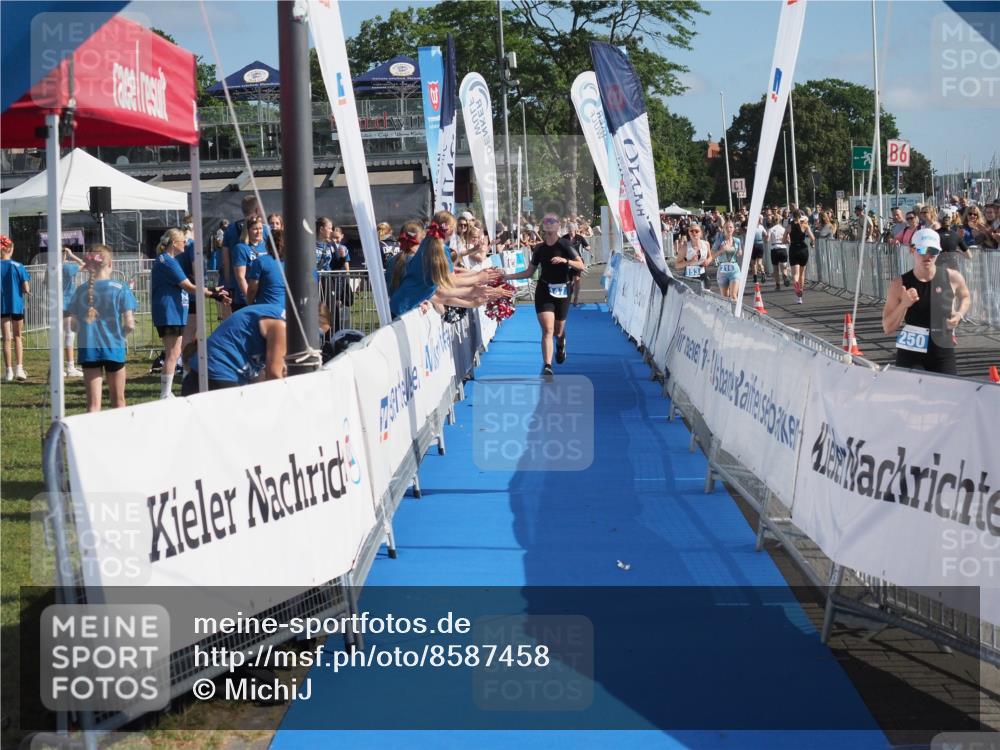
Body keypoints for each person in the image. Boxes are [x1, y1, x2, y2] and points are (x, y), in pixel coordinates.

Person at [503, 213, 585, 379]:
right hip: (544, 290)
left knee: (557, 331)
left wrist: (565, 261)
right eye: (545, 221)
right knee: (547, 330)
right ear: (542, 226)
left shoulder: (565, 245)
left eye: (552, 221)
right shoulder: (539, 248)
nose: (548, 224)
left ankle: (561, 343)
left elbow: (581, 265)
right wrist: (508, 277)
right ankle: (548, 366)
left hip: (562, 290)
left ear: (558, 225)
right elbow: (529, 272)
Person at [882, 228, 970, 376]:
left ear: (939, 252)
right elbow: (887, 327)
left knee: (948, 395)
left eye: (933, 251)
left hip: (942, 350)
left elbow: (966, 296)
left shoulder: (953, 277)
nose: (927, 256)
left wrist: (959, 314)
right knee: (911, 396)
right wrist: (904, 304)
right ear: (912, 250)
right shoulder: (899, 284)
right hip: (911, 352)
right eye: (922, 250)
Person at [152, 229, 229, 398]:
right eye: (183, 241)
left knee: (175, 351)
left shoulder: (168, 260)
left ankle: (169, 392)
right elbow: (189, 287)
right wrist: (214, 294)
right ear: (174, 242)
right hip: (169, 312)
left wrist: (211, 290)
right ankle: (165, 394)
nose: (185, 244)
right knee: (173, 353)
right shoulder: (168, 261)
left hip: (173, 311)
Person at [67, 245, 136, 412]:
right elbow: (129, 324)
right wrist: (122, 335)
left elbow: (73, 325)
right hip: (114, 348)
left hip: (88, 349)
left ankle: (91, 437)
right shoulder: (121, 288)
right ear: (110, 263)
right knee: (118, 401)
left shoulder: (80, 290)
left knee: (93, 405)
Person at [180, 303, 287, 395]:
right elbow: (274, 376)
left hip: (201, 373)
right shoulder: (280, 325)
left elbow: (261, 377)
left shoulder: (278, 317)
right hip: (220, 376)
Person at [0, 235, 30, 382]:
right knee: (17, 337)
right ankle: (19, 369)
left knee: (6, 339)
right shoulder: (18, 266)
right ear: (11, 249)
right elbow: (26, 287)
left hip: (2, 306)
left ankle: (8, 372)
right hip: (17, 305)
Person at [229, 215, 268, 312]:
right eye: (255, 229)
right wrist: (250, 299)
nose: (259, 232)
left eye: (260, 228)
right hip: (245, 301)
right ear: (247, 230)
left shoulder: (266, 246)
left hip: (264, 298)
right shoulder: (241, 248)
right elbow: (240, 277)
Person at [60, 247, 86, 377]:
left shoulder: (50, 268)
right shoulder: (68, 268)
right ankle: (70, 367)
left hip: (56, 303)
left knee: (59, 335)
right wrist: (72, 255)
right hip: (68, 302)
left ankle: (59, 367)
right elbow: (84, 265)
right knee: (69, 334)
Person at [247, 228, 286, 307]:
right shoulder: (294, 264)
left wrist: (249, 305)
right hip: (286, 311)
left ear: (268, 244)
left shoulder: (260, 262)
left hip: (265, 310)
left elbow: (252, 289)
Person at [786, 212, 814, 304]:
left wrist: (787, 240)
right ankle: (800, 297)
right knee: (802, 273)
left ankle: (796, 288)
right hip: (803, 249)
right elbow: (812, 238)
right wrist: (812, 243)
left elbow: (783, 240)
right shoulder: (805, 225)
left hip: (793, 248)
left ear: (792, 217)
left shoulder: (789, 227)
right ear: (800, 217)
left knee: (795, 274)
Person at [675, 224, 712, 289]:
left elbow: (710, 256)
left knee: (705, 296)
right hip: (689, 277)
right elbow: (677, 265)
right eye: (691, 231)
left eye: (696, 231)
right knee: (691, 297)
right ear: (689, 233)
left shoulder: (706, 244)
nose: (694, 233)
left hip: (703, 275)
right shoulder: (685, 247)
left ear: (701, 233)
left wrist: (708, 261)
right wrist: (690, 261)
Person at [713, 221, 743, 302]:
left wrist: (740, 252)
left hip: (734, 270)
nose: (729, 229)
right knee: (725, 298)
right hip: (722, 271)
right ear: (723, 229)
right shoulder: (719, 241)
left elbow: (739, 252)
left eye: (731, 227)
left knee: (733, 296)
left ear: (733, 229)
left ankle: (736, 314)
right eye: (727, 227)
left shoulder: (737, 241)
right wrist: (721, 250)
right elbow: (712, 255)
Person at [563, 222, 589, 307]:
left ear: (575, 229)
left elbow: (587, 246)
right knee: (568, 282)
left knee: (577, 280)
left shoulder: (579, 237)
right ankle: (568, 298)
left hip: (578, 262)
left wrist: (587, 247)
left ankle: (576, 298)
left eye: (571, 229)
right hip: (568, 262)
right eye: (569, 229)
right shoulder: (564, 238)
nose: (570, 231)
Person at [766, 219, 789, 291]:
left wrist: (766, 237)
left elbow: (767, 239)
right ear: (779, 221)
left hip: (774, 248)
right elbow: (788, 240)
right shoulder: (783, 229)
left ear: (773, 221)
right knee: (783, 265)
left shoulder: (771, 229)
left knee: (775, 268)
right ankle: (785, 275)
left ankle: (778, 285)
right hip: (782, 248)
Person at [750, 217, 766, 284]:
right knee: (758, 263)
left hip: (754, 245)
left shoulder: (751, 227)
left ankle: (756, 278)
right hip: (759, 244)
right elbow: (766, 234)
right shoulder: (761, 227)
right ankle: (762, 273)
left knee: (754, 263)